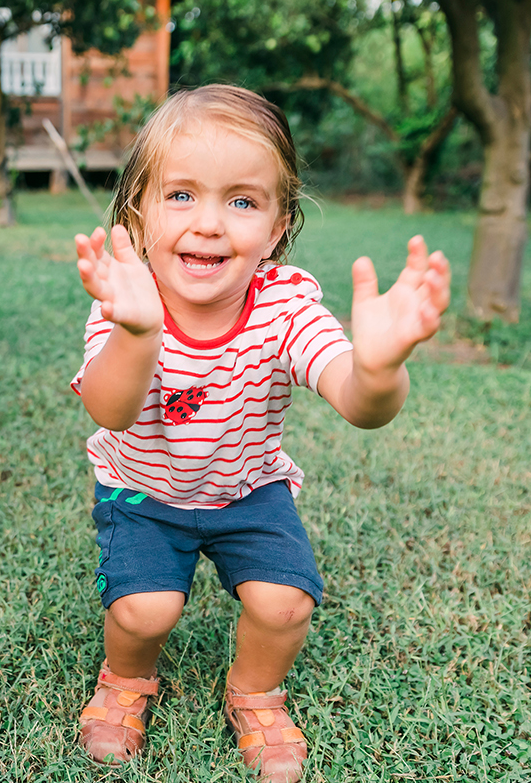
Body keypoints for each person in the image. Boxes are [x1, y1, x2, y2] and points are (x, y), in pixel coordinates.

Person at [70, 84, 451, 782]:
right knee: (144, 611)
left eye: (242, 201)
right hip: (141, 492)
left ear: (277, 226)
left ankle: (255, 693)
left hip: (249, 490)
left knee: (285, 605)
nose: (210, 224)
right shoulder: (129, 298)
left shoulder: (285, 304)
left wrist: (379, 366)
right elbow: (109, 410)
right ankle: (125, 680)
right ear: (140, 215)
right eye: (181, 195)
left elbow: (358, 401)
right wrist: (137, 332)